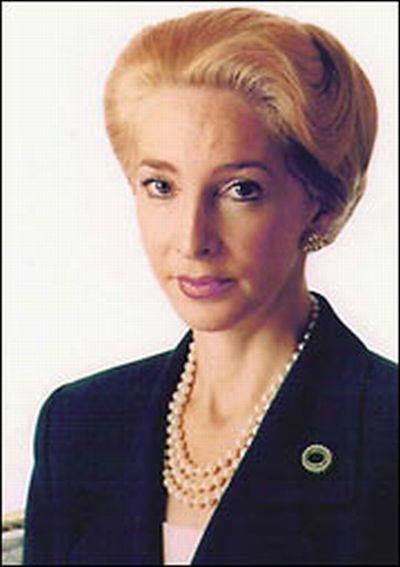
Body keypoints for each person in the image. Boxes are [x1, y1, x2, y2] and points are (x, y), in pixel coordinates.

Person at [23, 7, 397, 565]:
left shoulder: (385, 434)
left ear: (319, 203)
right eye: (161, 186)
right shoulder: (80, 424)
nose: (192, 239)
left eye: (240, 189)